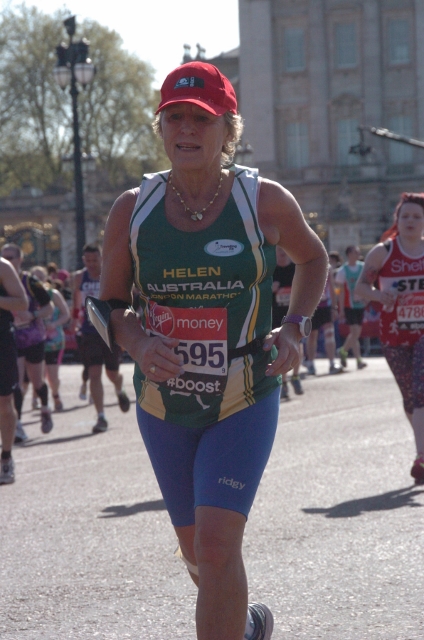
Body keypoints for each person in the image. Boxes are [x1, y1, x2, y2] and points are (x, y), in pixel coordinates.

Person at [96, 61, 328, 640]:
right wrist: (138, 339)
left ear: (229, 129)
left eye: (202, 119)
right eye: (175, 116)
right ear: (161, 128)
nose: (187, 129)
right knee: (198, 553)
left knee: (219, 545)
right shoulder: (133, 208)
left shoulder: (263, 200)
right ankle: (245, 626)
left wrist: (296, 325)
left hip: (243, 392)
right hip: (163, 401)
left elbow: (313, 258)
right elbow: (109, 305)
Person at [355, 192, 424, 485]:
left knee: (421, 394)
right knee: (410, 400)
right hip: (394, 334)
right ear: (397, 219)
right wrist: (380, 295)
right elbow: (360, 288)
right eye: (405, 216)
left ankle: (420, 457)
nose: (410, 221)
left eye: (417, 216)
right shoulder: (382, 252)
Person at [72, 243, 130, 433]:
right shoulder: (79, 277)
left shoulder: (109, 273)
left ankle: (119, 390)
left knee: (112, 374)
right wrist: (75, 323)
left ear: (101, 258)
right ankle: (101, 416)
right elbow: (76, 303)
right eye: (87, 261)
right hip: (89, 331)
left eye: (94, 260)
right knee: (94, 373)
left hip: (109, 330)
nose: (91, 264)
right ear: (83, 261)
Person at [1, 244, 54, 440]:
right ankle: (18, 426)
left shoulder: (30, 282)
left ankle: (46, 409)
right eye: (4, 256)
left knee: (37, 381)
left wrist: (33, 314)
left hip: (33, 337)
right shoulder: (1, 278)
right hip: (12, 339)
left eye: (11, 257)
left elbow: (49, 308)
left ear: (20, 259)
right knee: (17, 385)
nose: (7, 260)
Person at [0, 256, 28, 484]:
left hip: (1, 339)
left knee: (4, 401)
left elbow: (22, 302)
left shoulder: (2, 267)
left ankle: (6, 457)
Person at [31, 266, 70, 411]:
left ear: (47, 277)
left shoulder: (54, 294)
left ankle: (55, 395)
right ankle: (38, 399)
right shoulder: (29, 296)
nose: (38, 280)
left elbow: (66, 314)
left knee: (52, 376)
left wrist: (54, 324)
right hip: (35, 340)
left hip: (54, 341)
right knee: (38, 375)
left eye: (41, 277)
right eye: (35, 278)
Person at [272, 246, 304, 398]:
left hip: (294, 314)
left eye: (285, 251)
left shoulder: (296, 269)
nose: (282, 254)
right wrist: (270, 290)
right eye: (279, 252)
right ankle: (283, 382)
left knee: (298, 345)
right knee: (280, 349)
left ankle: (296, 377)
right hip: (276, 314)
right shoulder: (271, 270)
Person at [305, 253, 343, 375]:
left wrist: (334, 307)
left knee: (329, 333)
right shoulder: (304, 264)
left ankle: (332, 362)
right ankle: (310, 363)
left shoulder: (327, 267)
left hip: (325, 304)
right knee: (312, 336)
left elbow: (332, 287)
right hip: (311, 306)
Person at [335, 245, 367, 369]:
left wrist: (367, 298)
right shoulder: (342, 271)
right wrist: (341, 308)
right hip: (349, 305)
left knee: (356, 333)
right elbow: (339, 291)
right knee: (354, 332)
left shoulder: (363, 267)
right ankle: (358, 360)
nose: (358, 254)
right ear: (349, 254)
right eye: (355, 252)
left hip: (360, 305)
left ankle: (343, 351)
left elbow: (367, 284)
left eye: (359, 252)